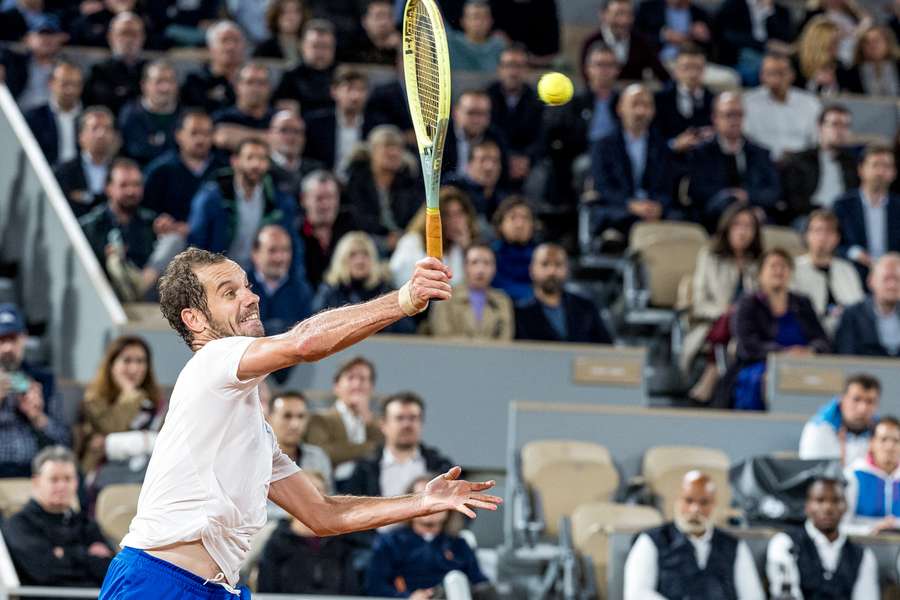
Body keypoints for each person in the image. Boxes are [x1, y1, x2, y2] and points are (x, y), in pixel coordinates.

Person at [98, 247, 500, 597]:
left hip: (216, 589)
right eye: (230, 292)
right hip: (156, 582)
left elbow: (323, 514)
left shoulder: (252, 431)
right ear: (195, 320)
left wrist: (422, 502)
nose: (251, 298)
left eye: (247, 286)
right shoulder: (210, 361)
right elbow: (305, 342)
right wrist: (405, 299)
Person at [624, 471, 765, 600]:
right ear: (678, 501)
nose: (695, 509)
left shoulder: (734, 546)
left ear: (714, 504)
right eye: (689, 500)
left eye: (704, 502)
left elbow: (752, 596)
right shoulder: (651, 541)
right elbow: (637, 594)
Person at [718, 249, 830, 410]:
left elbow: (822, 339)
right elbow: (747, 345)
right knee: (765, 380)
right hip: (759, 365)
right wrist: (784, 354)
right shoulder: (748, 303)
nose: (779, 271)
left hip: (804, 364)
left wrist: (811, 350)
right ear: (760, 274)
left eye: (783, 266)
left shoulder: (803, 303)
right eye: (773, 266)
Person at [366, 475, 495, 599]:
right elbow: (375, 587)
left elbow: (480, 584)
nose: (431, 506)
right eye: (424, 499)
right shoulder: (390, 542)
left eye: (439, 499)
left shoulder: (459, 544)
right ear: (409, 505)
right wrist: (407, 598)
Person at [187, 138, 304, 274]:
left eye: (262, 159)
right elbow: (196, 242)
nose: (256, 164)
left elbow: (292, 245)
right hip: (218, 272)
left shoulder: (280, 202)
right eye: (250, 158)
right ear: (235, 161)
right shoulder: (212, 198)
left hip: (259, 276)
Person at [682, 204, 762, 402]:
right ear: (727, 227)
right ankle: (717, 377)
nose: (743, 231)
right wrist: (723, 310)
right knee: (732, 316)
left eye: (748, 226)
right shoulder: (710, 257)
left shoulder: (759, 263)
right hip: (714, 322)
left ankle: (712, 375)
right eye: (737, 225)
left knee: (741, 316)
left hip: (752, 327)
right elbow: (699, 302)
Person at [1, 446, 113, 586]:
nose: (62, 486)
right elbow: (45, 572)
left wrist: (63, 554)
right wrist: (88, 555)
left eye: (67, 479)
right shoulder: (18, 524)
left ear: (76, 483)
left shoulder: (86, 523)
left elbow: (111, 570)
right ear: (36, 482)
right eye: (54, 479)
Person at [766, 478, 879, 599]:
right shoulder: (785, 543)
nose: (828, 508)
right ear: (807, 506)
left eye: (836, 501)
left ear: (845, 507)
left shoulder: (862, 555)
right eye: (820, 500)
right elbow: (785, 595)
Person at [76, 335, 164, 488]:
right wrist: (130, 398)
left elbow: (163, 442)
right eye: (127, 360)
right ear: (112, 364)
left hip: (146, 477)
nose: (134, 368)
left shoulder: (156, 402)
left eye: (140, 361)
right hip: (102, 475)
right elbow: (111, 428)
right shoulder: (94, 400)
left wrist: (113, 443)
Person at [687, 91, 780, 232]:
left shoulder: (760, 152)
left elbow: (774, 191)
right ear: (715, 118)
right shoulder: (701, 153)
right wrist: (732, 200)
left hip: (755, 215)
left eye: (739, 115)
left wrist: (748, 197)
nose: (734, 120)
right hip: (714, 217)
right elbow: (697, 191)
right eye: (728, 115)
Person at [591, 83, 673, 241]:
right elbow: (603, 187)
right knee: (611, 216)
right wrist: (630, 204)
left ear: (653, 111)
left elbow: (668, 185)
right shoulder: (603, 145)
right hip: (620, 207)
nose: (640, 111)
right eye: (635, 104)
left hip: (653, 209)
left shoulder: (662, 146)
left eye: (646, 105)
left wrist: (657, 206)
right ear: (620, 108)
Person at [544, 42, 621, 207]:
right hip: (585, 156)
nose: (604, 70)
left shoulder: (623, 102)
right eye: (599, 65)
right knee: (585, 166)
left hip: (618, 156)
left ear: (617, 69)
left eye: (609, 65)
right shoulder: (574, 102)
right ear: (588, 69)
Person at [255, 472, 359, 594]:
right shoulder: (277, 542)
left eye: (318, 491)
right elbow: (267, 588)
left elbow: (350, 590)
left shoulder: (340, 542)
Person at [0, 303, 69, 478]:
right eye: (1, 340)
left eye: (13, 339)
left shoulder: (43, 379)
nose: (7, 348)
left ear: (24, 339)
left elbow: (64, 441)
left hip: (34, 473)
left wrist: (38, 418)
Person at [342, 392, 454, 499]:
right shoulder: (364, 470)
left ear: (421, 423)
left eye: (413, 418)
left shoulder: (442, 467)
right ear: (383, 425)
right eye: (399, 418)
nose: (406, 424)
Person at [313, 232, 416, 334]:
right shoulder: (329, 292)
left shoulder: (386, 291)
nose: (360, 261)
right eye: (352, 255)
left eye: (365, 254)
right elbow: (316, 329)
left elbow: (407, 329)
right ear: (341, 259)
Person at [305, 356, 384, 484]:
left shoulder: (376, 423)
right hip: (333, 487)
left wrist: (369, 422)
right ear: (336, 386)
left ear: (371, 387)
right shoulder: (320, 419)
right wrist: (370, 448)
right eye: (351, 378)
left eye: (363, 379)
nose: (357, 384)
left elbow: (387, 451)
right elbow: (323, 454)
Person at [515, 243, 612, 344]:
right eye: (545, 264)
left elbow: (606, 348)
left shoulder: (586, 308)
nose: (551, 271)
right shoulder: (519, 313)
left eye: (558, 264)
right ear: (531, 270)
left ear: (567, 269)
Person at [342, 126, 420, 249]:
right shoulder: (357, 180)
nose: (394, 152)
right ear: (372, 150)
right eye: (387, 146)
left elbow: (414, 217)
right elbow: (356, 218)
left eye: (398, 147)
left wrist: (401, 237)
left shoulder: (408, 181)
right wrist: (386, 238)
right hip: (365, 239)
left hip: (403, 241)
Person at [780, 104, 860, 222]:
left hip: (844, 217)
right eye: (835, 124)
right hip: (810, 216)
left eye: (845, 126)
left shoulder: (854, 163)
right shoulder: (800, 160)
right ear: (820, 126)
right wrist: (820, 211)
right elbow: (794, 200)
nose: (840, 131)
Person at [833, 144, 900, 283]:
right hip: (854, 272)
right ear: (861, 169)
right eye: (875, 165)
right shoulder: (843, 205)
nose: (880, 172)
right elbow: (835, 245)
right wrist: (856, 253)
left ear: (894, 173)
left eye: (886, 166)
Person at [143, 110, 222, 226]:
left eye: (206, 133)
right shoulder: (160, 170)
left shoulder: (223, 169)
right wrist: (159, 221)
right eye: (194, 133)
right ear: (178, 135)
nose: (200, 139)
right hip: (171, 235)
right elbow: (145, 209)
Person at [792, 209, 865, 334]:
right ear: (806, 235)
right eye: (817, 230)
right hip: (808, 331)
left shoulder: (847, 269)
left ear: (837, 238)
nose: (823, 237)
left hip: (846, 331)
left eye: (829, 231)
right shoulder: (794, 268)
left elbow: (858, 306)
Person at [390, 187, 477, 288]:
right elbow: (399, 279)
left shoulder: (462, 246)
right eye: (447, 215)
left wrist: (467, 250)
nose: (454, 221)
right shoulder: (412, 242)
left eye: (459, 214)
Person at [742, 53, 822, 163]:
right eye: (770, 73)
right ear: (762, 76)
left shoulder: (810, 103)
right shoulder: (748, 103)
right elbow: (746, 139)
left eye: (781, 73)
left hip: (801, 163)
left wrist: (799, 155)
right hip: (762, 162)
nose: (776, 79)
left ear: (792, 75)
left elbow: (816, 139)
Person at [486, 44, 544, 189]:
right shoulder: (487, 96)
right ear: (500, 69)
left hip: (527, 161)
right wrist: (507, 158)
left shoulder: (537, 100)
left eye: (518, 66)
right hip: (495, 156)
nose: (513, 72)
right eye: (508, 65)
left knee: (539, 177)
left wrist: (526, 159)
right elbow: (487, 132)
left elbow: (541, 136)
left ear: (527, 70)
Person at [429, 243, 515, 340]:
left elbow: (505, 340)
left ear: (494, 268)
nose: (480, 270)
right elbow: (442, 336)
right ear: (464, 267)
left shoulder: (502, 300)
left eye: (487, 263)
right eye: (474, 262)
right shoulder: (445, 296)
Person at [799, 373, 881, 465]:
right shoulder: (818, 428)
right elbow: (816, 473)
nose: (863, 408)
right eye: (856, 399)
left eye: (870, 401)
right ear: (842, 399)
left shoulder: (881, 430)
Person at [247, 224, 313, 339]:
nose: (280, 258)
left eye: (285, 250)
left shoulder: (301, 290)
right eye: (272, 250)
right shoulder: (241, 288)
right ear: (255, 254)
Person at [303, 67, 372, 173]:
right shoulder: (315, 123)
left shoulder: (375, 125)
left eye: (361, 90)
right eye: (349, 89)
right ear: (334, 91)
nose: (355, 96)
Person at [581, 0, 670, 82]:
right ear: (604, 15)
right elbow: (586, 79)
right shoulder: (590, 42)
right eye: (619, 14)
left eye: (629, 14)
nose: (624, 21)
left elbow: (662, 74)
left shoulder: (642, 42)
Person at [54, 106, 118, 219]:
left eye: (107, 128)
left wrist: (87, 197)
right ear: (80, 136)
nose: (101, 134)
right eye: (95, 128)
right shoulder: (64, 171)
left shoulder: (121, 171)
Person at [652, 44, 714, 155]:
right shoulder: (659, 100)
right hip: (669, 163)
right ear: (676, 70)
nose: (692, 74)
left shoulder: (715, 102)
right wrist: (674, 144)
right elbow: (652, 139)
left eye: (697, 68)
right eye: (687, 67)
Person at [713, 0, 794, 86]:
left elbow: (785, 37)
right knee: (765, 66)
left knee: (785, 65)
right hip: (741, 55)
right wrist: (765, 44)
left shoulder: (780, 11)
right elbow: (730, 36)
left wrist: (769, 12)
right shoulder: (734, 5)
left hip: (773, 54)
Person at [297, 170, 354, 289]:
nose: (326, 205)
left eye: (331, 197)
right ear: (303, 200)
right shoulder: (293, 234)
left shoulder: (351, 228)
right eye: (319, 198)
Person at [834, 253, 900, 356]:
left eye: (897, 279)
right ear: (871, 281)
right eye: (886, 279)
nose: (892, 285)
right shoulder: (852, 315)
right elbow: (846, 357)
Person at [843, 416, 900, 535]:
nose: (890, 447)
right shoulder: (853, 475)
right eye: (883, 439)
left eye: (896, 441)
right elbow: (841, 526)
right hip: (861, 546)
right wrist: (871, 530)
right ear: (871, 443)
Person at [83, 12, 147, 116]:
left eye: (134, 34)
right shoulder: (98, 71)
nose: (129, 39)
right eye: (123, 33)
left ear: (143, 37)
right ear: (110, 37)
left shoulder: (150, 71)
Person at [118, 60, 180, 166]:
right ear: (144, 85)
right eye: (159, 82)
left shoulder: (186, 117)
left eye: (170, 81)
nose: (165, 88)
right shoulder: (130, 115)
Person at [267, 392, 333, 491]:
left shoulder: (318, 457)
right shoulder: (258, 459)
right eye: (287, 416)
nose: (295, 425)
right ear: (269, 418)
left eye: (301, 416)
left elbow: (330, 499)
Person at [24, 59, 83, 167]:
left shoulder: (88, 118)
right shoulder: (33, 117)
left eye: (75, 84)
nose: (70, 90)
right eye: (65, 84)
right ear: (51, 83)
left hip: (79, 180)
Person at [273, 19, 337, 116]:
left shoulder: (340, 76)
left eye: (325, 47)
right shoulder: (291, 76)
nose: (320, 52)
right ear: (302, 46)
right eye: (315, 46)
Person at [180, 21, 245, 114]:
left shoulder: (254, 81)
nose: (231, 46)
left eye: (236, 40)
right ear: (210, 48)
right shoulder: (195, 82)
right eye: (224, 40)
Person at [211, 63, 276, 154]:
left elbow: (287, 143)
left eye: (261, 83)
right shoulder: (221, 117)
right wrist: (269, 137)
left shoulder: (279, 118)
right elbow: (222, 138)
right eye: (250, 82)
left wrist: (236, 135)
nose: (255, 88)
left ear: (269, 88)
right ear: (237, 86)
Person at [444, 90, 509, 179]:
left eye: (482, 114)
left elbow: (503, 177)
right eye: (471, 113)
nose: (476, 120)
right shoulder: (441, 136)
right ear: (456, 112)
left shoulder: (497, 138)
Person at [267, 110, 325, 198]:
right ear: (270, 135)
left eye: (296, 131)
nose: (291, 137)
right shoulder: (263, 170)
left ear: (304, 138)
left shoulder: (317, 170)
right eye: (284, 130)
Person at [490, 196, 537, 303]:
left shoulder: (540, 255)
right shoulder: (491, 254)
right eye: (513, 218)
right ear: (500, 224)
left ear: (533, 225)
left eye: (525, 218)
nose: (519, 225)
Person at [635, 0, 712, 62]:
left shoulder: (700, 13)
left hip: (691, 62)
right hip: (659, 62)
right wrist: (662, 36)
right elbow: (636, 36)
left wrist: (704, 36)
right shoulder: (648, 8)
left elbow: (713, 44)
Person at [447, 0, 507, 73]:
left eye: (484, 17)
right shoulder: (450, 43)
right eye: (475, 17)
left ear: (491, 21)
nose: (479, 22)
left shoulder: (500, 45)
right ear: (463, 21)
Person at [338, 0, 399, 65]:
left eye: (389, 16)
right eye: (379, 16)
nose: (384, 22)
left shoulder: (402, 44)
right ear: (364, 21)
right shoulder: (350, 47)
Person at [848, 25, 900, 97]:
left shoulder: (897, 66)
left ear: (887, 43)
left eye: (876, 41)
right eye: (867, 42)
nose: (872, 46)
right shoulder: (852, 73)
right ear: (861, 47)